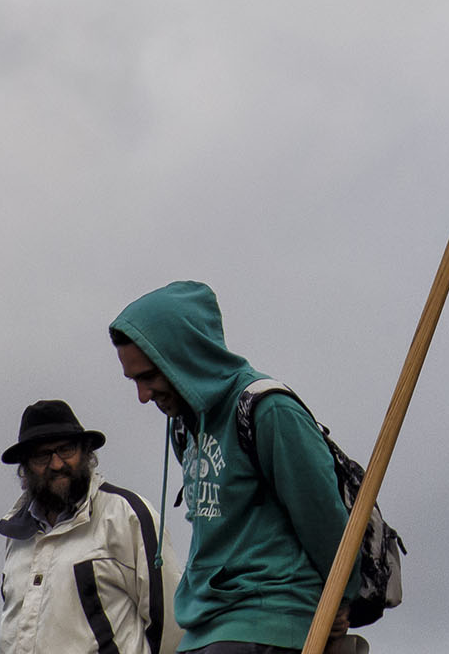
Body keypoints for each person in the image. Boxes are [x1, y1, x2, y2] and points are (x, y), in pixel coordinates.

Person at [109, 280, 357, 654]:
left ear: (184, 357)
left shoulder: (269, 410)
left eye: (149, 377)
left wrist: (343, 594)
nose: (143, 396)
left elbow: (322, 516)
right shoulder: (184, 425)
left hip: (269, 620)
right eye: (134, 381)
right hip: (203, 626)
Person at [0, 398, 182, 654]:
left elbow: (173, 626)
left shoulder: (126, 515)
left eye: (66, 449)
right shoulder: (16, 533)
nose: (57, 464)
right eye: (42, 455)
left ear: (86, 452)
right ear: (25, 466)